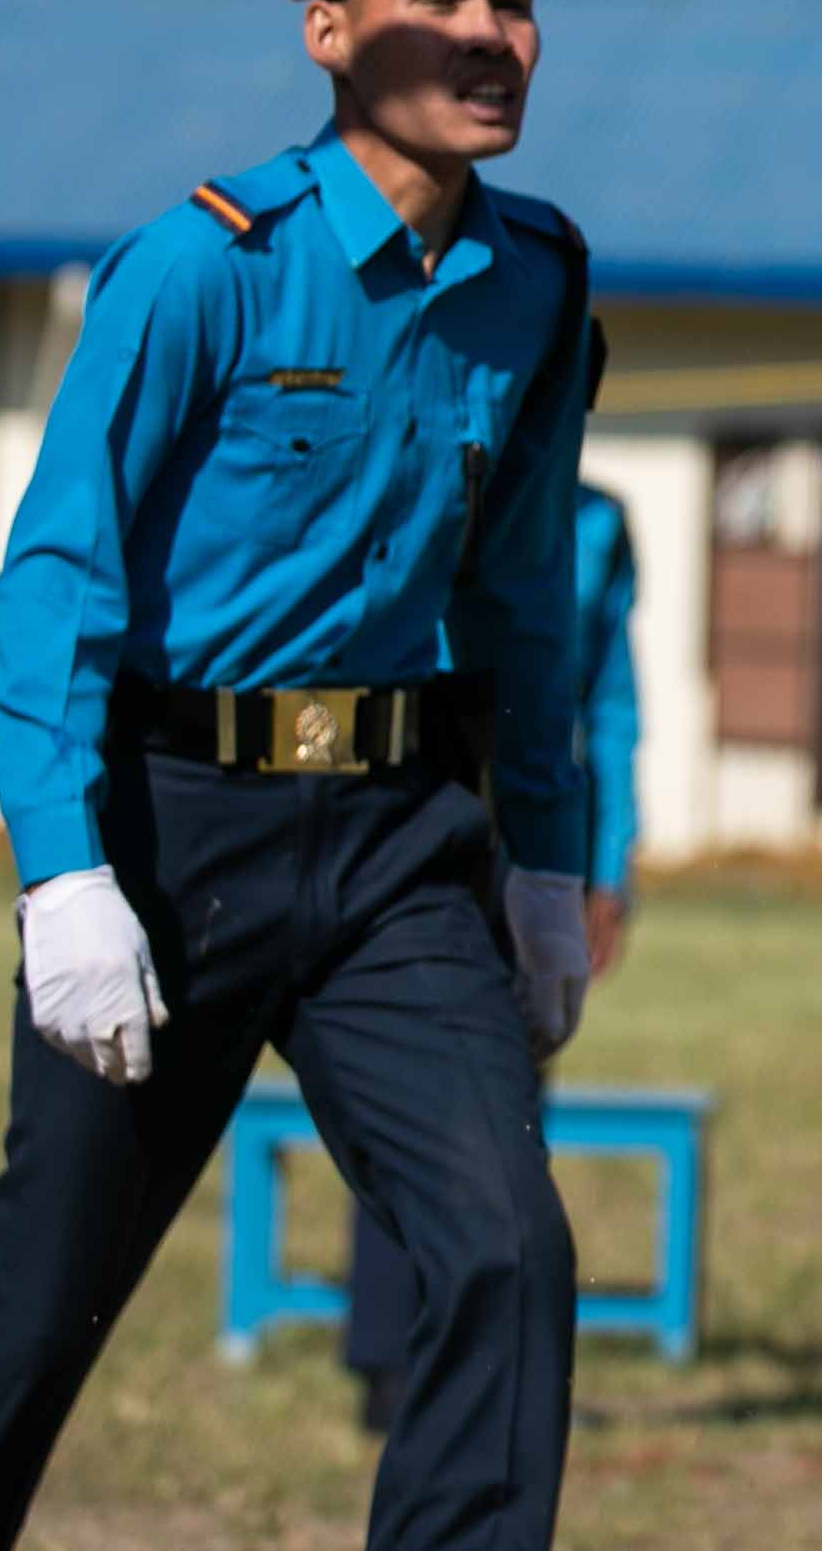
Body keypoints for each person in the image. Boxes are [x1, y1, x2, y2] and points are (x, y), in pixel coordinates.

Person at [0, 0, 601, 1551]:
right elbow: (59, 580)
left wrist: (544, 860)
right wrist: (63, 872)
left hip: (393, 848)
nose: (490, 35)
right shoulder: (202, 264)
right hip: (168, 837)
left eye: (513, 1)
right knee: (38, 1302)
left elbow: (520, 592)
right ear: (330, 32)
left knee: (509, 1251)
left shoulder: (540, 281)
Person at [346, 476, 641, 1431]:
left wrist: (605, 867)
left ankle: (500, 1374)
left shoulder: (599, 523)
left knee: (512, 1101)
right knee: (406, 1090)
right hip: (413, 812)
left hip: (538, 834)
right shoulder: (426, 478)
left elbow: (610, 705)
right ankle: (391, 1363)